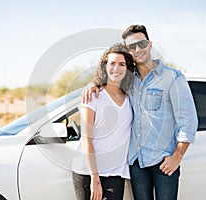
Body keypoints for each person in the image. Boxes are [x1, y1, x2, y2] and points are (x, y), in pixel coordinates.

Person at [83, 25, 198, 200]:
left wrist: (177, 156)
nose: (138, 49)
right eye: (131, 47)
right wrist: (93, 84)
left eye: (142, 43)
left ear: (150, 44)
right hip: (136, 164)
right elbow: (109, 81)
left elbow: (187, 120)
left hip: (164, 162)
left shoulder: (172, 78)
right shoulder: (129, 79)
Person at [72, 43, 135, 200]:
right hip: (88, 171)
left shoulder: (130, 97)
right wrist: (95, 178)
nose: (116, 68)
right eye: (112, 63)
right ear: (104, 66)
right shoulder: (93, 96)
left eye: (122, 64)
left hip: (115, 172)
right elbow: (86, 139)